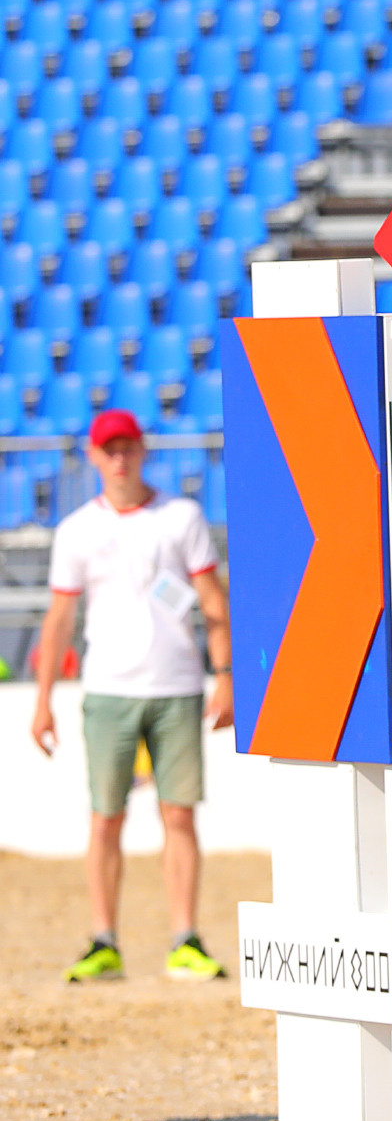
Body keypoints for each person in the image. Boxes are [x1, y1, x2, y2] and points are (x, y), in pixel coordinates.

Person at [29, 409, 231, 982]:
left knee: (179, 814)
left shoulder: (181, 517)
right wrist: (43, 698)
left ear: (142, 451)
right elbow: (60, 619)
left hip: (177, 687)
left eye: (127, 448)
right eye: (108, 450)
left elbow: (211, 601)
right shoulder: (76, 531)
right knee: (105, 818)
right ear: (94, 457)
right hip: (108, 689)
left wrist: (226, 676)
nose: (119, 459)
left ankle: (185, 938)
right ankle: (103, 940)